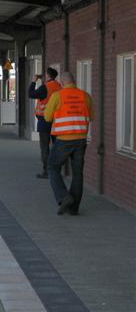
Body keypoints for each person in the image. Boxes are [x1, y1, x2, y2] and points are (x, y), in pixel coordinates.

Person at [45, 72, 93, 216]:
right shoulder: (85, 96)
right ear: (74, 81)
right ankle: (74, 208)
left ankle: (64, 197)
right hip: (80, 140)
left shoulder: (57, 96)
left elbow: (47, 117)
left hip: (63, 140)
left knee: (53, 167)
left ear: (61, 83)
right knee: (77, 173)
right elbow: (91, 116)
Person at [29, 67, 62, 179]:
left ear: (48, 75)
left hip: (44, 121)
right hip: (57, 121)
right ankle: (57, 170)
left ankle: (47, 171)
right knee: (56, 146)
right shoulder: (59, 86)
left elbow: (31, 94)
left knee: (44, 147)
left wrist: (34, 80)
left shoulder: (45, 87)